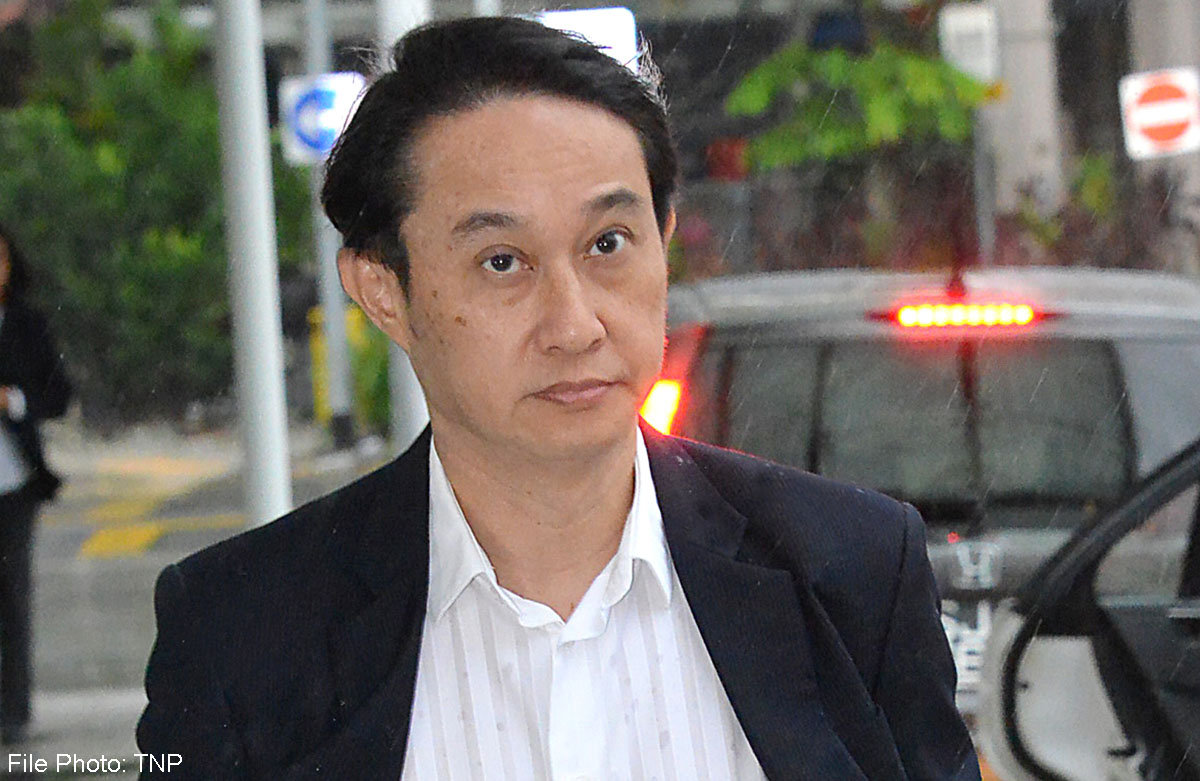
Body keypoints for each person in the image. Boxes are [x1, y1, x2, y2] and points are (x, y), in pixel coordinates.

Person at [137, 16, 979, 780]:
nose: (575, 325)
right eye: (502, 261)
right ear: (384, 290)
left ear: (664, 241)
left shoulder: (851, 573)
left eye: (608, 243)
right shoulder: (243, 636)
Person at [0, 224, 71, 745]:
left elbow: (57, 395)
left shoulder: (25, 325)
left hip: (13, 482)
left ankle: (12, 709)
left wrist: (14, 401)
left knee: (12, 596)